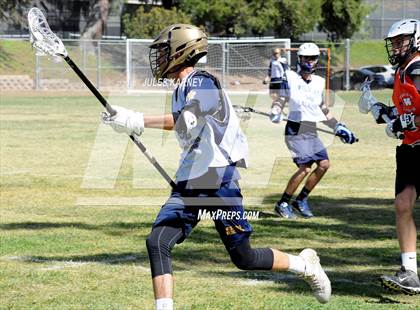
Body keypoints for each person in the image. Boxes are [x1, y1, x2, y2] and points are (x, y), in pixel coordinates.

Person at [101, 24, 331, 309]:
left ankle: (305, 265)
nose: (159, 58)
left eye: (163, 51)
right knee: (157, 241)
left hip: (218, 178)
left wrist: (138, 120)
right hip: (191, 178)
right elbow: (183, 124)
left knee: (244, 258)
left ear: (182, 52)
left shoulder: (202, 81)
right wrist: (129, 121)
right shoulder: (179, 88)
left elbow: (190, 115)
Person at [272, 43, 357, 219]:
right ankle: (283, 203)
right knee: (304, 168)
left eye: (313, 58)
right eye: (306, 58)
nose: (309, 61)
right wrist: (276, 110)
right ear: (300, 59)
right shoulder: (290, 77)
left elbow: (322, 109)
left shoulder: (319, 82)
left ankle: (300, 200)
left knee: (324, 164)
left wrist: (338, 127)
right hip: (295, 128)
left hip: (311, 129)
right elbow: (281, 98)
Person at [368, 19, 420, 295]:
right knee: (402, 205)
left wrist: (401, 123)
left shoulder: (417, 67)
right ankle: (410, 272)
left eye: (403, 40)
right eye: (395, 41)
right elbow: (405, 114)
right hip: (410, 150)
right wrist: (382, 112)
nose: (397, 46)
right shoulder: (402, 73)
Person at [264, 48, 289, 123]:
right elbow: (270, 71)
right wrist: (267, 78)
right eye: (274, 53)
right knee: (273, 97)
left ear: (280, 53)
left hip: (280, 81)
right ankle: (278, 111)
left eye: (277, 53)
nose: (275, 55)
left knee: (281, 98)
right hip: (273, 82)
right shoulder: (272, 61)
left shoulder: (283, 60)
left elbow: (286, 70)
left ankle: (277, 112)